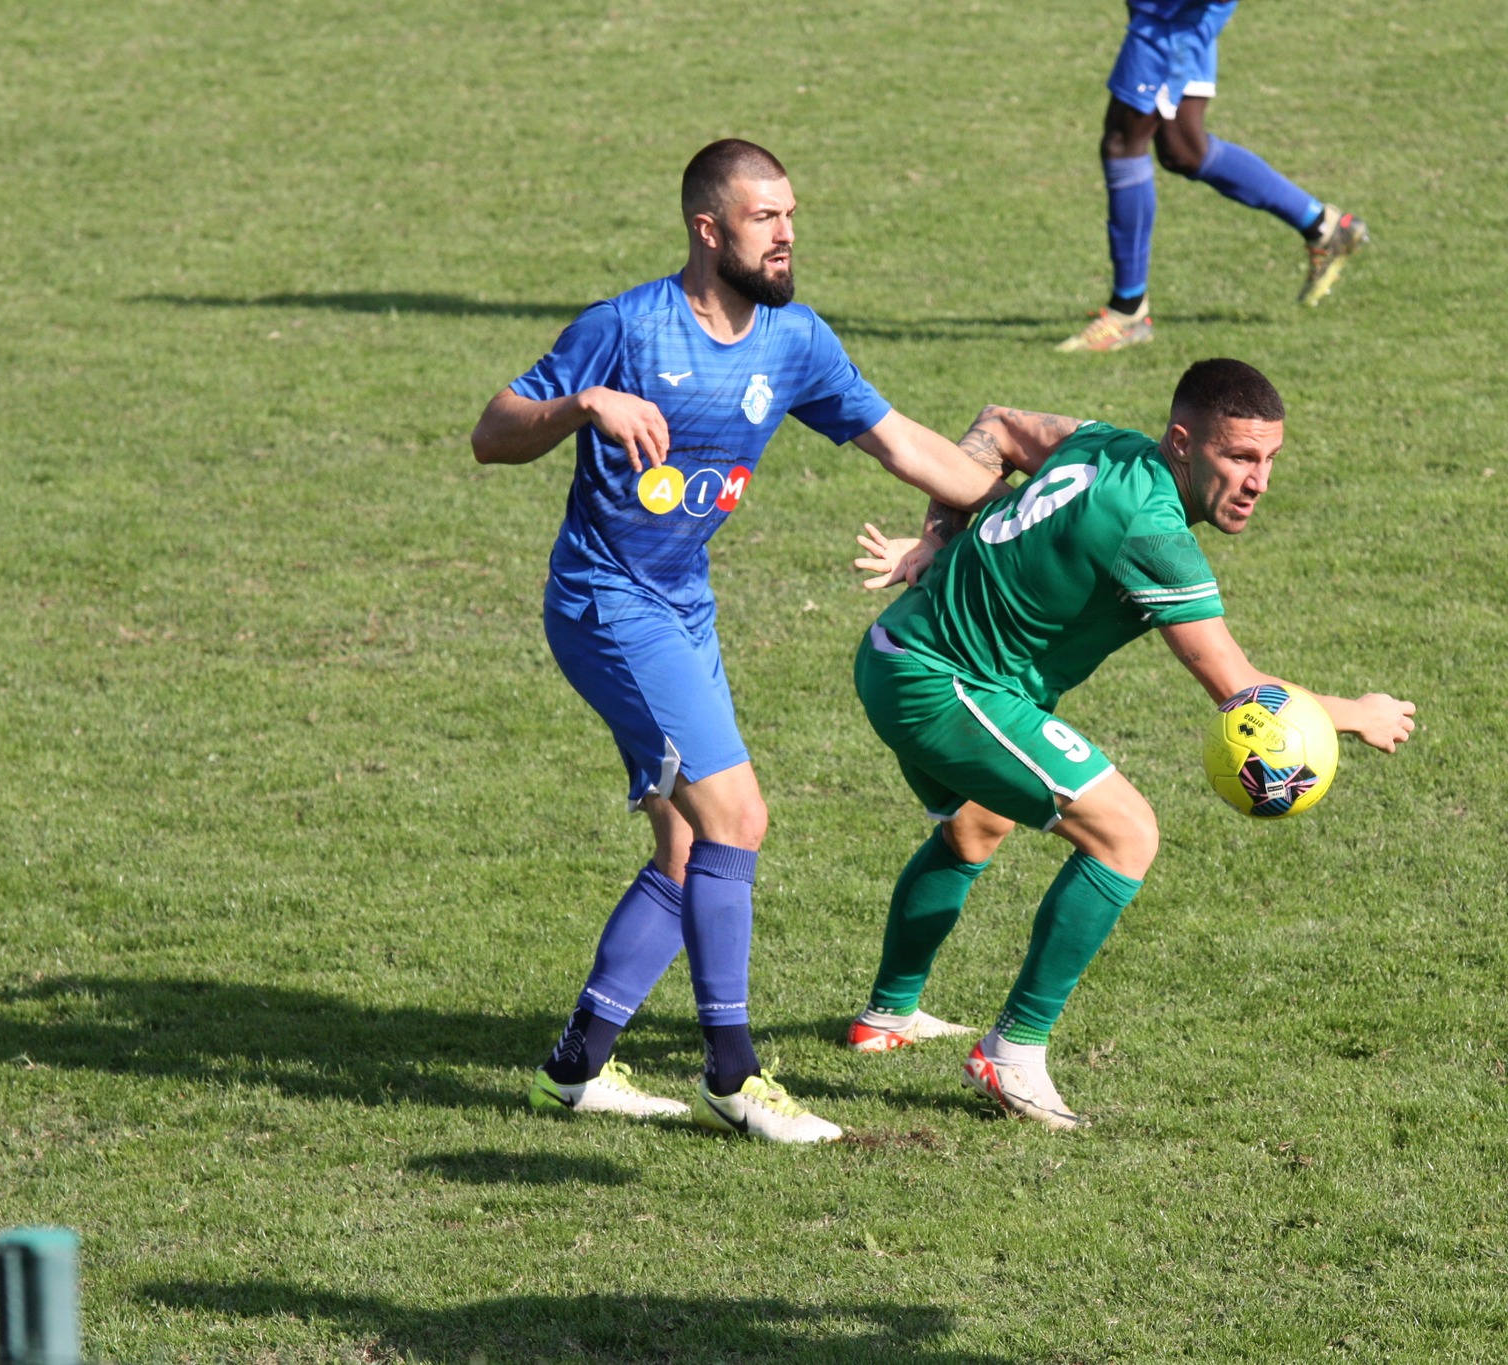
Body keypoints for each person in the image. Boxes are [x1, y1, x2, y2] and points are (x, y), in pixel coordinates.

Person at [470, 139, 1007, 1144]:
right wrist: (579, 403)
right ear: (708, 230)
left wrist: (1026, 501)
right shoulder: (624, 327)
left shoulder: (794, 342)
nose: (787, 232)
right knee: (737, 818)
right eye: (766, 218)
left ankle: (573, 1071)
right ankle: (733, 1074)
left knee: (685, 847)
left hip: (683, 603)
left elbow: (904, 445)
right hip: (605, 600)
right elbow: (492, 432)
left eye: (791, 214)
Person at [841, 359, 1416, 1128]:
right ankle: (1013, 1050)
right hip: (939, 681)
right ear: (1183, 441)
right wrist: (1358, 712)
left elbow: (999, 423)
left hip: (899, 653)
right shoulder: (1154, 533)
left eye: (1271, 458)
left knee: (978, 821)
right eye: (1239, 457)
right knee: (1126, 833)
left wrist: (941, 531)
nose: (1259, 481)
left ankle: (887, 1017)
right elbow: (1241, 692)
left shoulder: (1102, 442)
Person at [1057, 1, 1369, 354]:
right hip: (1172, 14)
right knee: (1183, 149)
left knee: (1123, 143)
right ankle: (1324, 225)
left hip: (1170, 16)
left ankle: (1128, 311)